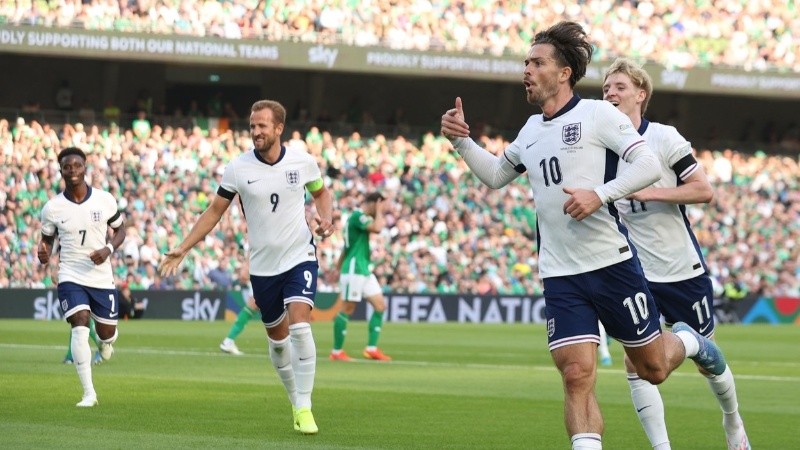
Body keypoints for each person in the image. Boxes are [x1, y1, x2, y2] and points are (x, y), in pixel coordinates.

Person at [440, 21, 729, 450]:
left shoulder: (598, 114)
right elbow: (498, 176)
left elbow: (647, 165)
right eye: (525, 62)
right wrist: (462, 143)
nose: (527, 70)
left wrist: (600, 194)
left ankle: (689, 340)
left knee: (652, 368)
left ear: (563, 73)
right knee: (575, 374)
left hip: (611, 264)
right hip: (559, 272)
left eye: (537, 62)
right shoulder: (530, 130)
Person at [159, 99, 334, 435]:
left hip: (300, 256)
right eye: (252, 126)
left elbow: (321, 194)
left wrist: (326, 219)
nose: (255, 131)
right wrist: (183, 247)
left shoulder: (302, 161)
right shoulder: (238, 168)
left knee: (300, 327)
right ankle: (294, 399)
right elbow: (214, 212)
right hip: (263, 268)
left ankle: (305, 406)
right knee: (279, 342)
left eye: (262, 126)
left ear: (278, 129)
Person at [602, 57, 750, 450]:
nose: (610, 93)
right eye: (606, 88)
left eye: (618, 86)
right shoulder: (601, 147)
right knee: (635, 364)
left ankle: (733, 422)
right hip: (633, 271)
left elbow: (703, 190)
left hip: (681, 268)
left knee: (708, 359)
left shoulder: (664, 138)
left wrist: (646, 190)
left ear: (640, 93)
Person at [38, 147, 125, 407]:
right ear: (61, 170)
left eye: (77, 165)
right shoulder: (52, 207)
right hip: (70, 273)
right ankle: (89, 393)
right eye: (67, 166)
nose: (72, 170)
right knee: (79, 324)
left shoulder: (104, 200)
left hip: (100, 276)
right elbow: (46, 240)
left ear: (85, 168)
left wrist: (108, 249)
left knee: (107, 333)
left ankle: (105, 341)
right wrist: (44, 254)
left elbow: (121, 231)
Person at [330, 192, 391, 362]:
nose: (382, 210)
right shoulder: (358, 215)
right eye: (381, 205)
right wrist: (378, 210)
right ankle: (336, 351)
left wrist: (337, 266)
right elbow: (377, 228)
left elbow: (347, 246)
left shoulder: (357, 218)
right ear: (375, 202)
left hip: (363, 269)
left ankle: (371, 348)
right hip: (354, 268)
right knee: (348, 308)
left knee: (380, 306)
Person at [219, 259, 258, 356]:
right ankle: (228, 341)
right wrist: (246, 268)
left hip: (264, 274)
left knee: (253, 306)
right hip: (266, 274)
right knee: (253, 306)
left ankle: (228, 340)